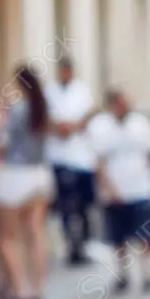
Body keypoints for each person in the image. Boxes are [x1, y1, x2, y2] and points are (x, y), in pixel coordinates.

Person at [0, 64, 55, 299]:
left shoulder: (18, 109)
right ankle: (37, 289)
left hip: (17, 175)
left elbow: (4, 142)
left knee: (8, 236)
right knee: (36, 233)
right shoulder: (43, 107)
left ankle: (20, 290)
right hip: (41, 174)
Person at [90, 89, 150, 295]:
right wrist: (109, 189)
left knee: (144, 235)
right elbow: (99, 162)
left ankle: (147, 273)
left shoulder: (140, 125)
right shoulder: (101, 128)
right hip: (116, 193)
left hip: (141, 189)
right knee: (119, 238)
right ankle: (122, 274)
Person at [45, 55, 101, 266]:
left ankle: (84, 243)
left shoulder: (82, 90)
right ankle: (71, 246)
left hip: (82, 158)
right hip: (60, 156)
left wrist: (74, 127)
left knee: (84, 205)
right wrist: (59, 128)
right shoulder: (50, 91)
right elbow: (45, 118)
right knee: (66, 206)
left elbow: (90, 114)